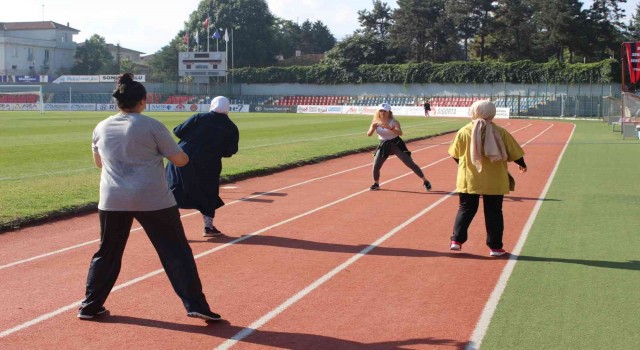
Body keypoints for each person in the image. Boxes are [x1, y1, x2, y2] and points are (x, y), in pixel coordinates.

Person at [79, 73, 221, 322]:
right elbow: (180, 159)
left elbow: (99, 164)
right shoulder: (152, 125)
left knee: (107, 253)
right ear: (144, 100)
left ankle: (90, 305)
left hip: (113, 199)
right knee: (176, 252)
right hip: (153, 199)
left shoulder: (100, 127)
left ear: (118, 101)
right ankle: (195, 304)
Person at [447, 100, 527, 257]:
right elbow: (515, 152)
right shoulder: (500, 132)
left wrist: (466, 166)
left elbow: (455, 154)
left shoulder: (464, 131)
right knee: (494, 212)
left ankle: (456, 240)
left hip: (469, 178)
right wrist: (522, 164)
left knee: (466, 208)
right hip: (495, 179)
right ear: (492, 113)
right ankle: (495, 247)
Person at [165, 96, 239, 237]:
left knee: (174, 189)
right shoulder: (231, 127)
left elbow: (177, 131)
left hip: (183, 158)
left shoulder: (199, 117)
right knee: (208, 193)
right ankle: (208, 227)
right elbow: (231, 151)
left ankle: (171, 229)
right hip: (209, 164)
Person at [367, 102, 432, 191]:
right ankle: (376, 183)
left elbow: (400, 133)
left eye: (385, 111)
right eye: (381, 111)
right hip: (383, 144)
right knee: (376, 165)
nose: (382, 112)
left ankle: (425, 181)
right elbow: (369, 134)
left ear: (389, 112)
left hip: (395, 143)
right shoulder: (375, 122)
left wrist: (391, 129)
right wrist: (373, 128)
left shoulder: (394, 122)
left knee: (409, 163)